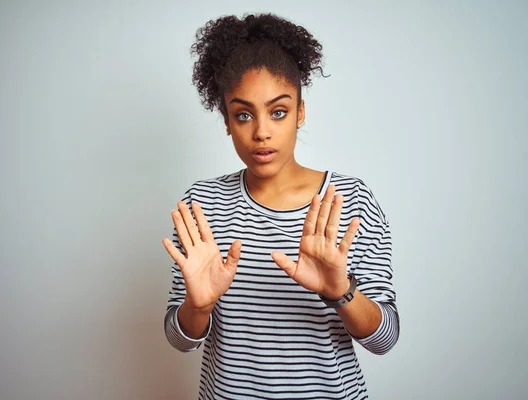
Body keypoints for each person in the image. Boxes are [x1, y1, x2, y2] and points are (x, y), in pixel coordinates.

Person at [162, 13, 399, 400]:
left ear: (300, 113)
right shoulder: (203, 204)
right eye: (243, 115)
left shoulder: (349, 200)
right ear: (226, 121)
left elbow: (384, 339)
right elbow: (180, 338)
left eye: (278, 111)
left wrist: (341, 292)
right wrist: (199, 306)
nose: (261, 132)